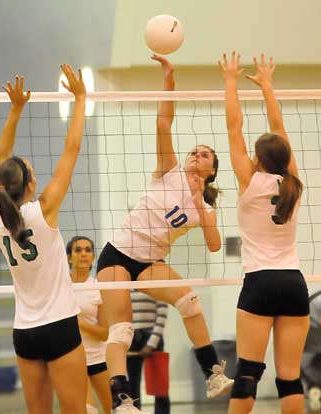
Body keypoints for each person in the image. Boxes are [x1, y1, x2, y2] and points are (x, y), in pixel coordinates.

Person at [97, 54, 233, 414]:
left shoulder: (204, 208)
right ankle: (122, 399)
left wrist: (205, 213)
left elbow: (216, 245)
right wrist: (169, 80)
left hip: (149, 262)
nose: (196, 154)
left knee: (190, 301)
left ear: (211, 170)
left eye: (204, 154)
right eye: (195, 150)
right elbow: (163, 121)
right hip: (117, 254)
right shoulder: (168, 170)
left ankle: (213, 374)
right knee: (122, 329)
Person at [0, 66, 88, 414]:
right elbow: (72, 148)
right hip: (59, 327)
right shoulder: (44, 210)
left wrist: (15, 110)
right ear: (30, 186)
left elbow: (2, 158)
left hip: (24, 333)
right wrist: (81, 98)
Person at [219, 52, 310, 414]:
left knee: (248, 373)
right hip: (293, 283)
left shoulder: (250, 181)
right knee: (289, 377)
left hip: (259, 282)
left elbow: (233, 127)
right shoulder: (293, 183)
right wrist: (268, 86)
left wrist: (230, 81)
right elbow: (281, 130)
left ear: (257, 159)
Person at [66, 235, 112, 414]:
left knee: (113, 408)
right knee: (87, 410)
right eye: (78, 250)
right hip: (72, 358)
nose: (83, 254)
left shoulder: (99, 287)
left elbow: (104, 333)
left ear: (93, 256)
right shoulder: (60, 285)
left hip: (99, 357)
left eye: (88, 250)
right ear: (69, 257)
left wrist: (77, 322)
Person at [127, 290, 170, 414]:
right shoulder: (125, 283)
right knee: (131, 386)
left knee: (159, 385)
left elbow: (162, 315)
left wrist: (151, 343)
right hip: (131, 336)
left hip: (152, 336)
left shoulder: (154, 283)